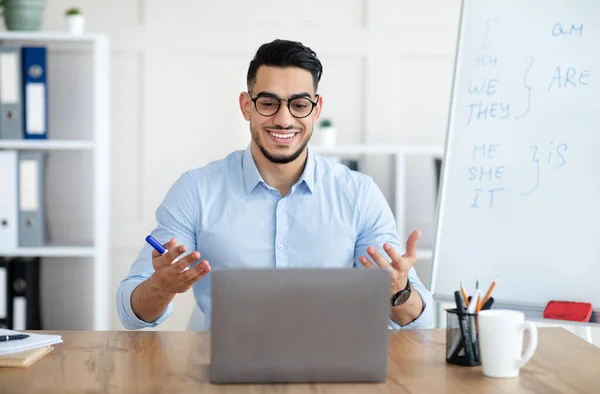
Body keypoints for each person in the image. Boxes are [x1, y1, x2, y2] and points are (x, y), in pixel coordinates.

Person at [116, 39, 434, 331]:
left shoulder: (358, 194)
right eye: (268, 103)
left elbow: (419, 322)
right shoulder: (196, 190)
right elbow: (131, 314)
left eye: (299, 104)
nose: (283, 119)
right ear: (246, 106)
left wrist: (399, 291)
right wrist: (162, 286)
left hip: (331, 372)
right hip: (217, 373)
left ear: (317, 109)